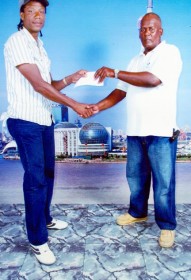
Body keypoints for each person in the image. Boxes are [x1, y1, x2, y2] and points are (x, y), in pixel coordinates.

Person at [4, 0, 92, 265]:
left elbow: (50, 84)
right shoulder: (17, 41)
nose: (37, 16)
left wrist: (70, 79)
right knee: (36, 180)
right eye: (31, 11)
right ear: (22, 15)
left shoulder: (39, 47)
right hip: (25, 120)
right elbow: (39, 85)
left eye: (42, 12)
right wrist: (75, 105)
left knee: (49, 174)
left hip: (43, 119)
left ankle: (45, 219)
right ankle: (37, 240)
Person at [91, 12, 182, 248]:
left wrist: (115, 72)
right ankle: (137, 212)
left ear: (161, 31)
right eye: (143, 29)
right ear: (138, 33)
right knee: (136, 179)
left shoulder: (170, 52)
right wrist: (96, 107)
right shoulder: (134, 61)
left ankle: (167, 226)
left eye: (151, 28)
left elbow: (152, 79)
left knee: (163, 184)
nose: (147, 33)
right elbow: (121, 91)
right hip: (135, 131)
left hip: (161, 132)